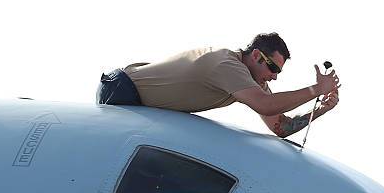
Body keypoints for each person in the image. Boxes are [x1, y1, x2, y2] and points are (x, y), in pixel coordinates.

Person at [96, 33, 340, 138]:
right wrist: (315, 90)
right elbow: (265, 106)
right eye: (273, 68)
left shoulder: (252, 80)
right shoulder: (227, 66)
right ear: (255, 56)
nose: (274, 77)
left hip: (143, 107)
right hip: (122, 91)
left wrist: (320, 110)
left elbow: (280, 127)